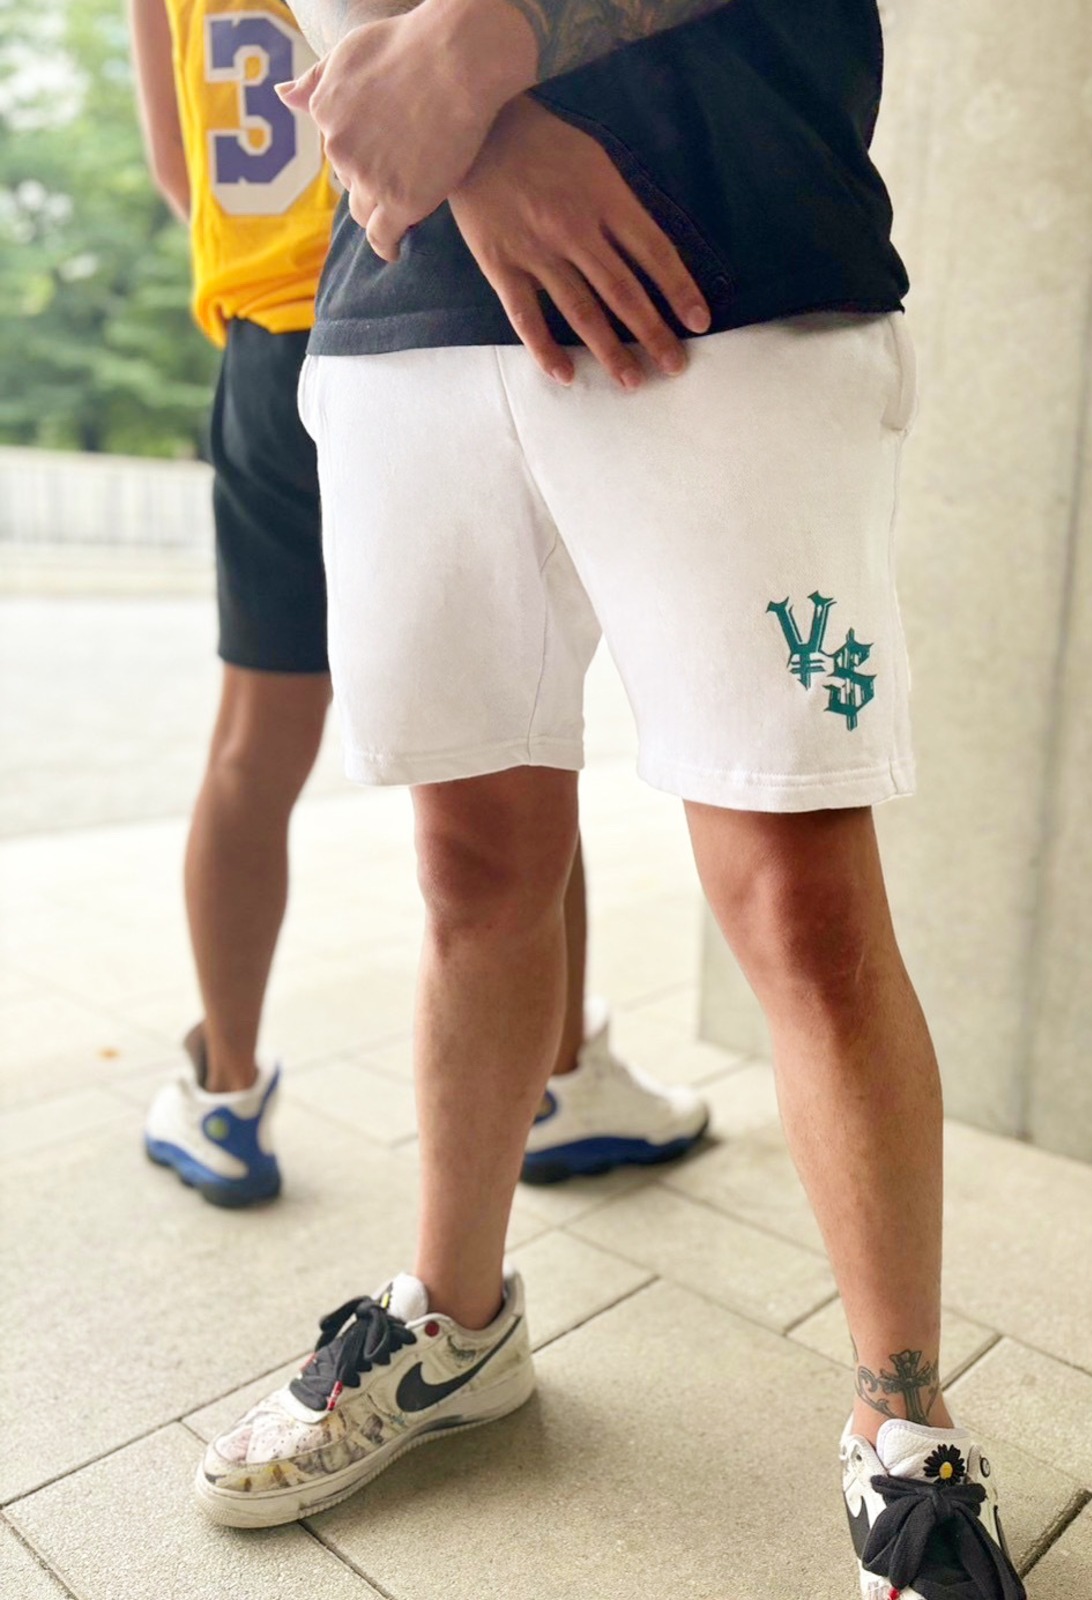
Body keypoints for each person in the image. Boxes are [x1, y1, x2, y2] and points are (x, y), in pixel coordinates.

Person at [193, 3, 1027, 1597]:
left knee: (799, 900)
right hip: (404, 298)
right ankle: (455, 1323)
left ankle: (904, 1426)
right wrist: (472, 137)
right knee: (470, 873)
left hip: (718, 254)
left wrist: (495, 42)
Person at [126, 0, 709, 1210]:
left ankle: (222, 1086)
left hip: (267, 342)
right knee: (520, 724)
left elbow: (177, 170)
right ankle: (556, 1078)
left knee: (253, 743)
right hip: (423, 296)